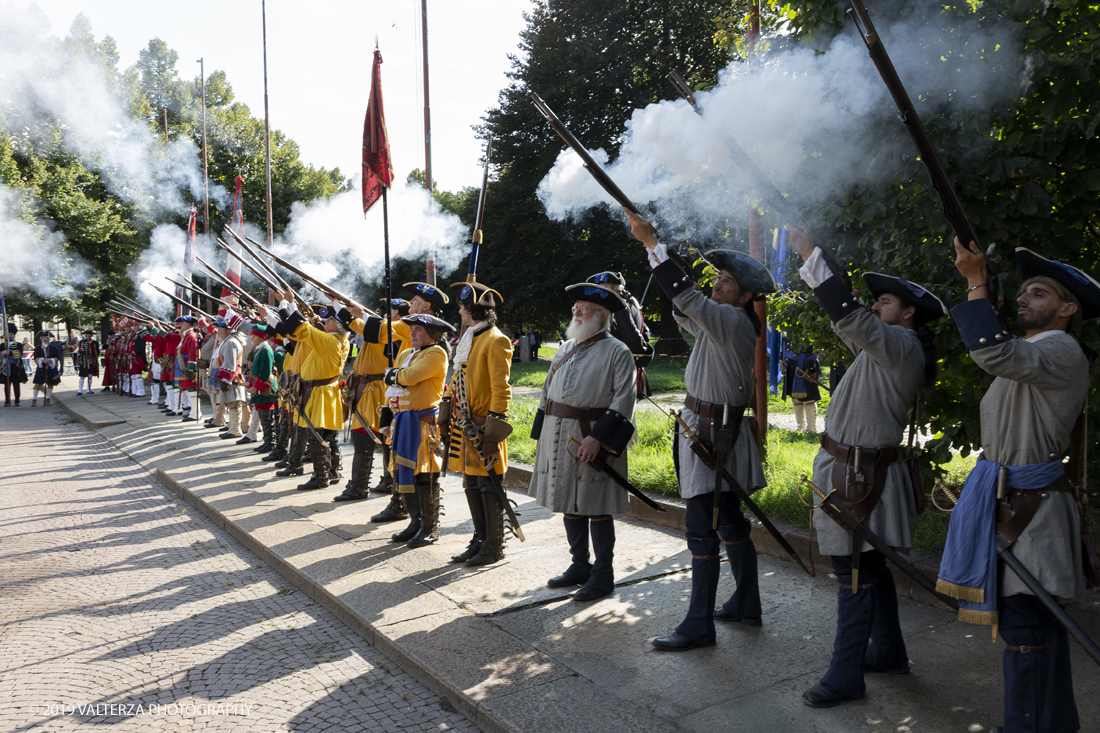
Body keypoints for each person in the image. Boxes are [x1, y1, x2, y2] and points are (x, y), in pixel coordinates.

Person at [940, 242, 1097, 733]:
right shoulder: (1032, 353)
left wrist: (975, 280)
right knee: (1037, 634)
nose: (1026, 298)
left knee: (1026, 635)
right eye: (1023, 292)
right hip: (1014, 507)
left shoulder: (1060, 348)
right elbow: (1001, 352)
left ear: (1068, 309)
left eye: (1039, 292)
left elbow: (991, 350)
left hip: (1030, 515)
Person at [787, 225, 948, 708]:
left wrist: (810, 255)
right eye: (876, 302)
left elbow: (849, 316)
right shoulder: (888, 346)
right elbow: (848, 317)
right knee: (869, 569)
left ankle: (846, 677)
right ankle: (890, 654)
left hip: (862, 476)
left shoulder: (900, 345)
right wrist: (824, 263)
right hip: (856, 471)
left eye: (886, 302)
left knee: (853, 573)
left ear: (909, 312)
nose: (877, 306)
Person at [626, 210, 773, 651]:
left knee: (700, 525)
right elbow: (684, 309)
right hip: (712, 430)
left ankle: (698, 625)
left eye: (726, 281)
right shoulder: (726, 320)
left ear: (746, 296)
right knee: (729, 520)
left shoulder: (731, 321)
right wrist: (670, 269)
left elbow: (687, 299)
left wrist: (653, 245)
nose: (717, 284)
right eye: (718, 278)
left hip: (713, 433)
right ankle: (747, 603)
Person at [528, 282, 637, 602]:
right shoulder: (564, 348)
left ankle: (603, 575)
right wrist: (541, 437)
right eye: (575, 308)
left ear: (601, 316)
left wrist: (597, 439)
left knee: (597, 506)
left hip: (591, 438)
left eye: (584, 309)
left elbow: (624, 401)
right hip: (559, 436)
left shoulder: (618, 351)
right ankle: (580, 566)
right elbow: (546, 393)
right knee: (569, 503)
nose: (577, 313)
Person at [446, 280, 514, 566]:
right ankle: (480, 538)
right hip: (465, 424)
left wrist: (492, 433)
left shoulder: (495, 340)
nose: (459, 311)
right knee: (471, 483)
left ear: (470, 309)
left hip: (483, 426)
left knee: (489, 485)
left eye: (462, 307)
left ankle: (494, 545)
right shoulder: (471, 338)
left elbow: (501, 389)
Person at [265, 294, 350, 491]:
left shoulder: (329, 341)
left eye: (330, 320)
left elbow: (302, 329)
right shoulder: (339, 340)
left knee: (316, 436)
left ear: (338, 326)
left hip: (319, 392)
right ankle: (332, 472)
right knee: (328, 435)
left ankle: (320, 477)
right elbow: (301, 332)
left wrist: (289, 303)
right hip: (327, 391)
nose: (326, 321)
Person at [382, 313, 453, 547]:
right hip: (402, 421)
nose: (412, 334)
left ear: (431, 334)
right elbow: (392, 390)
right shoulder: (405, 354)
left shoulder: (436, 353)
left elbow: (409, 377)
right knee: (405, 475)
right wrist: (386, 420)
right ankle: (415, 521)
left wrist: (391, 375)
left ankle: (430, 527)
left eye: (417, 331)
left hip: (423, 425)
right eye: (411, 330)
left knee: (425, 476)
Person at [333, 298, 411, 503]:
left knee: (364, 437)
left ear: (396, 315)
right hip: (369, 389)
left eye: (388, 310)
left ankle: (360, 486)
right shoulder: (382, 330)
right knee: (381, 438)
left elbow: (361, 326)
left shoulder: (389, 333)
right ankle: (386, 481)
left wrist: (342, 310)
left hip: (374, 390)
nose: (383, 313)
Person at [586, 270, 655, 396]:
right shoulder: (627, 302)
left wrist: (636, 357)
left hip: (618, 367)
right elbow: (645, 332)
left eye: (597, 290)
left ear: (608, 289)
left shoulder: (618, 306)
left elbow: (632, 335)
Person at [209, 315, 247, 440]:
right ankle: (232, 427)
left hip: (231, 379)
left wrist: (226, 379)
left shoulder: (231, 342)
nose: (218, 332)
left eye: (219, 330)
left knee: (234, 403)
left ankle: (235, 429)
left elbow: (229, 363)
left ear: (225, 330)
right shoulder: (228, 341)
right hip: (229, 378)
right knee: (231, 404)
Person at [782, 347, 821, 432]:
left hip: (808, 363)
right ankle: (800, 427)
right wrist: (781, 359)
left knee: (809, 399)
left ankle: (811, 429)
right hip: (792, 364)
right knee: (796, 400)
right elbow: (784, 343)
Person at [31, 330, 63, 406]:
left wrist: (51, 360)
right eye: (44, 337)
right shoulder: (38, 348)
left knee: (50, 384)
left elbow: (57, 357)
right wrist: (42, 360)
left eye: (47, 337)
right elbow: (35, 357)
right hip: (41, 368)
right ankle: (34, 399)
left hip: (50, 368)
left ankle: (48, 398)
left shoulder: (53, 347)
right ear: (41, 338)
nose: (45, 339)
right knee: (37, 384)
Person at [1, 324, 29, 406]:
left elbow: (19, 354)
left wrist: (9, 352)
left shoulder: (19, 344)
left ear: (14, 335)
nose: (10, 336)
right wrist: (2, 353)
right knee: (7, 385)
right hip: (5, 366)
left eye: (11, 334)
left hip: (15, 366)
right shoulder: (2, 345)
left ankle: (17, 400)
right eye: (8, 334)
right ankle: (7, 401)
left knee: (16, 384)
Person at [75, 330, 100, 395]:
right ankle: (80, 390)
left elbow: (97, 352)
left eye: (90, 334)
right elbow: (80, 351)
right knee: (82, 375)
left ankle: (89, 389)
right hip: (84, 361)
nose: (88, 335)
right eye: (87, 334)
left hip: (92, 360)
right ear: (85, 335)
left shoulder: (95, 343)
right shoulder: (82, 342)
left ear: (92, 335)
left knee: (90, 375)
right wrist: (82, 347)